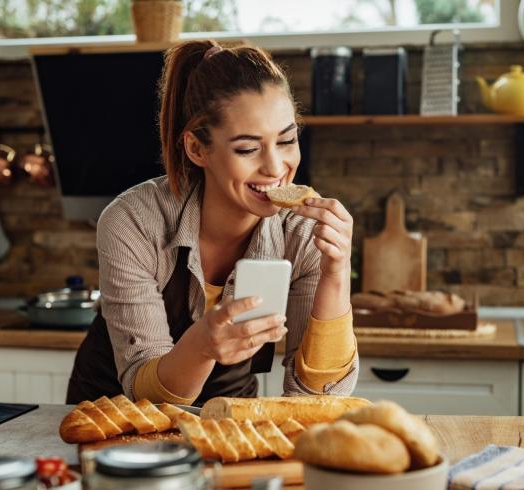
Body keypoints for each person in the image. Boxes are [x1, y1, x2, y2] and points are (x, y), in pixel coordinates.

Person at [66, 40, 358, 406]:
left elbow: (317, 399)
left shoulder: (303, 234)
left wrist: (336, 272)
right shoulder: (133, 221)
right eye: (248, 149)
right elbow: (146, 395)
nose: (275, 167)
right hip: (113, 416)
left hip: (228, 413)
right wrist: (202, 345)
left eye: (286, 140)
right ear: (197, 149)